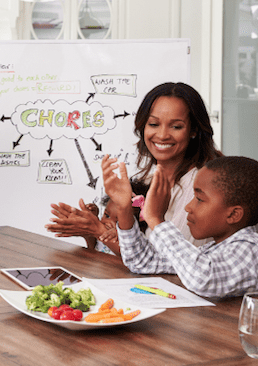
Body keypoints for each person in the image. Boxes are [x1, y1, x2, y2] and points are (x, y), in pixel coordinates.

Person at [46, 82, 221, 250]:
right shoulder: (150, 179)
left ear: (193, 131)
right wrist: (92, 229)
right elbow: (139, 252)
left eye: (176, 126)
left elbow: (172, 262)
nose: (162, 135)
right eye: (153, 124)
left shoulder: (197, 186)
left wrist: (97, 230)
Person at [102, 155, 258, 298]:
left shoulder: (251, 249)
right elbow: (142, 261)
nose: (188, 207)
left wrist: (156, 220)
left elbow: (203, 280)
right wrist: (124, 209)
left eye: (199, 199)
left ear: (233, 215)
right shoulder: (212, 251)